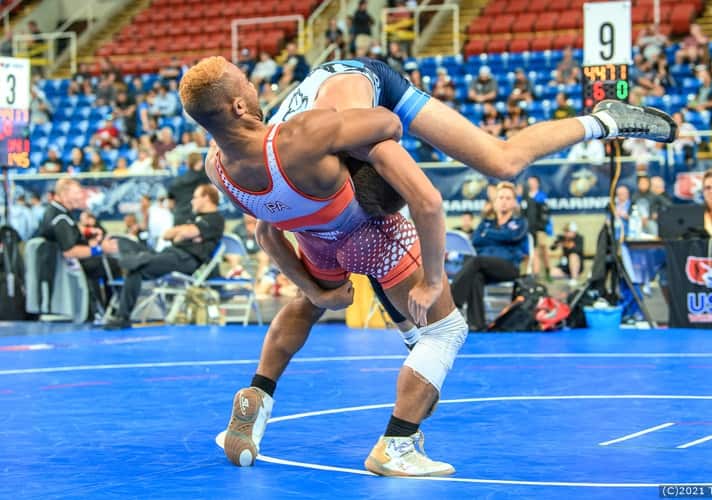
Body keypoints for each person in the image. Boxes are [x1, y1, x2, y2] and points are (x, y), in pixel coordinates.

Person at [179, 56, 468, 476]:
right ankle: (398, 443)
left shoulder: (218, 170)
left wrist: (315, 290)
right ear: (239, 106)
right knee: (445, 330)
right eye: (246, 82)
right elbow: (389, 123)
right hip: (370, 234)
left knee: (306, 306)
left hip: (316, 245)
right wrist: (434, 281)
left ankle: (258, 395)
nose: (257, 88)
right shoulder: (300, 135)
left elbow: (266, 234)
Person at [269, 57, 676, 182]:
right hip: (333, 111)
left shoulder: (290, 156)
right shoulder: (259, 177)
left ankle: (605, 119)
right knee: (503, 167)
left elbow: (426, 201)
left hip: (365, 86)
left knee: (503, 161)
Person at [104, 184, 224, 330]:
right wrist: (184, 233)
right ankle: (134, 261)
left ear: (206, 198)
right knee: (123, 242)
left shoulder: (215, 219)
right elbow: (167, 235)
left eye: (195, 197)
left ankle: (122, 316)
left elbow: (186, 233)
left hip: (186, 260)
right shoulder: (194, 218)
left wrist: (183, 233)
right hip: (170, 253)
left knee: (137, 266)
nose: (192, 201)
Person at [450, 182, 528, 331]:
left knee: (477, 262)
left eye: (508, 198)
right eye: (500, 198)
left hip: (509, 267)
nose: (504, 201)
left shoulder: (520, 223)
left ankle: (452, 299)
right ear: (495, 202)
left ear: (513, 202)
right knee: (476, 276)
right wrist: (497, 236)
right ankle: (477, 324)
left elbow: (513, 236)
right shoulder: (486, 223)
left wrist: (488, 235)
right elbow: (476, 240)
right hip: (485, 268)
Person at [36, 178, 119, 317]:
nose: (81, 196)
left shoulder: (58, 211)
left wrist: (88, 232)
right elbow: (70, 251)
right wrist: (100, 249)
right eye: (77, 192)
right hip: (72, 264)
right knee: (112, 264)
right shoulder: (60, 218)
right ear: (64, 194)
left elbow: (69, 231)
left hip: (64, 262)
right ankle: (111, 310)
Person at [520, 176, 550, 277]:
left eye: (533, 182)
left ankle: (547, 270)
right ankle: (532, 273)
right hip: (527, 228)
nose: (531, 184)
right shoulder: (523, 197)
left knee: (542, 249)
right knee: (531, 251)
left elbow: (545, 213)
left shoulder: (541, 196)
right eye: (529, 182)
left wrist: (542, 226)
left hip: (540, 228)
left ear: (538, 183)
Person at [549, 222, 584, 287]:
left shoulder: (579, 238)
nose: (566, 233)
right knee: (552, 272)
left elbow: (577, 250)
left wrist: (565, 244)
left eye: (568, 231)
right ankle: (568, 276)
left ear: (574, 232)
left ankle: (574, 278)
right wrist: (556, 243)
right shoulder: (562, 238)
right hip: (565, 264)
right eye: (565, 231)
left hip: (576, 263)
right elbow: (552, 248)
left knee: (573, 256)